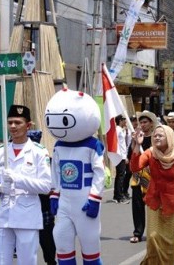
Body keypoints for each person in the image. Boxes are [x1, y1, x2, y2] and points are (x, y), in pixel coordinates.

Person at [45, 88, 105, 265]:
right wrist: (54, 194)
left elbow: (99, 173)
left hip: (85, 203)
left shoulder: (93, 145)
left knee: (90, 246)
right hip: (64, 203)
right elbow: (55, 171)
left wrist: (94, 198)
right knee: (61, 242)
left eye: (64, 120)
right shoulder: (58, 146)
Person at [0, 105, 51, 265]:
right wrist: (0, 188)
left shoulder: (39, 152)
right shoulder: (0, 152)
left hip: (27, 216)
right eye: (10, 122)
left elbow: (45, 186)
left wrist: (18, 178)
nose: (13, 126)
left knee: (27, 261)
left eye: (18, 122)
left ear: (28, 125)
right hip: (5, 214)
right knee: (2, 261)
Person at [130, 125, 174, 264]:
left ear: (170, 137)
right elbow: (135, 167)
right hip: (155, 200)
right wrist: (137, 145)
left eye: (160, 135)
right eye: (155, 135)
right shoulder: (150, 153)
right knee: (153, 237)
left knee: (169, 243)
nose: (156, 137)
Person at [27, 130, 57, 265]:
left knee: (47, 239)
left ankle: (51, 261)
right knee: (29, 241)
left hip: (43, 207)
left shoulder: (47, 160)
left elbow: (53, 185)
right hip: (29, 207)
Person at [129, 110, 158, 243]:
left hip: (154, 176)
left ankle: (155, 231)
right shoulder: (137, 137)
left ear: (151, 123)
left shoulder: (157, 138)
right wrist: (136, 142)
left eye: (145, 122)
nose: (143, 124)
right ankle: (138, 232)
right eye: (141, 122)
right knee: (137, 206)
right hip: (138, 176)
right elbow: (133, 156)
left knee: (154, 206)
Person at [113, 115, 130, 204]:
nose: (125, 122)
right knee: (121, 176)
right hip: (120, 156)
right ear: (120, 120)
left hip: (121, 155)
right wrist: (124, 156)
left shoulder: (120, 130)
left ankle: (116, 195)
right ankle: (119, 196)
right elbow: (119, 145)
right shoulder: (118, 130)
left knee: (119, 175)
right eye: (124, 120)